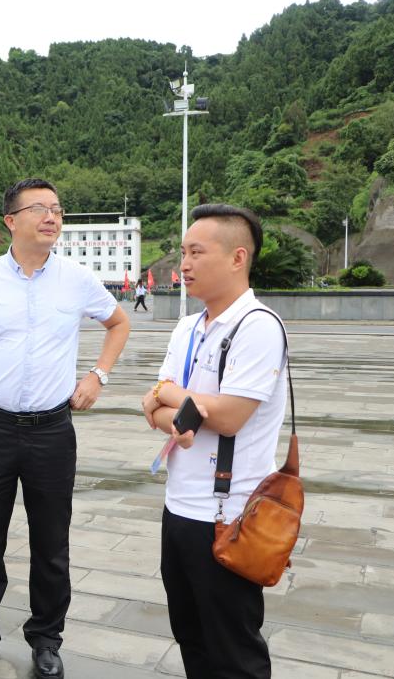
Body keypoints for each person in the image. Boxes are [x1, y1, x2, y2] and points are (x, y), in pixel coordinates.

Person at [0, 178, 131, 679]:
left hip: (51, 431)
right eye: (39, 209)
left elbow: (118, 323)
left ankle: (46, 639)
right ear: (11, 220)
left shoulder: (77, 278)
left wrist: (98, 376)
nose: (52, 217)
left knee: (51, 543)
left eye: (57, 209)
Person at [141, 204, 288, 679]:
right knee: (191, 636)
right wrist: (175, 407)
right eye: (183, 252)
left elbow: (228, 417)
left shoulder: (258, 326)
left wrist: (169, 395)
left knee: (233, 651)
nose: (183, 264)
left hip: (230, 515)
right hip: (179, 508)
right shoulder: (187, 326)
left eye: (196, 253)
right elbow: (154, 411)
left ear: (237, 257)